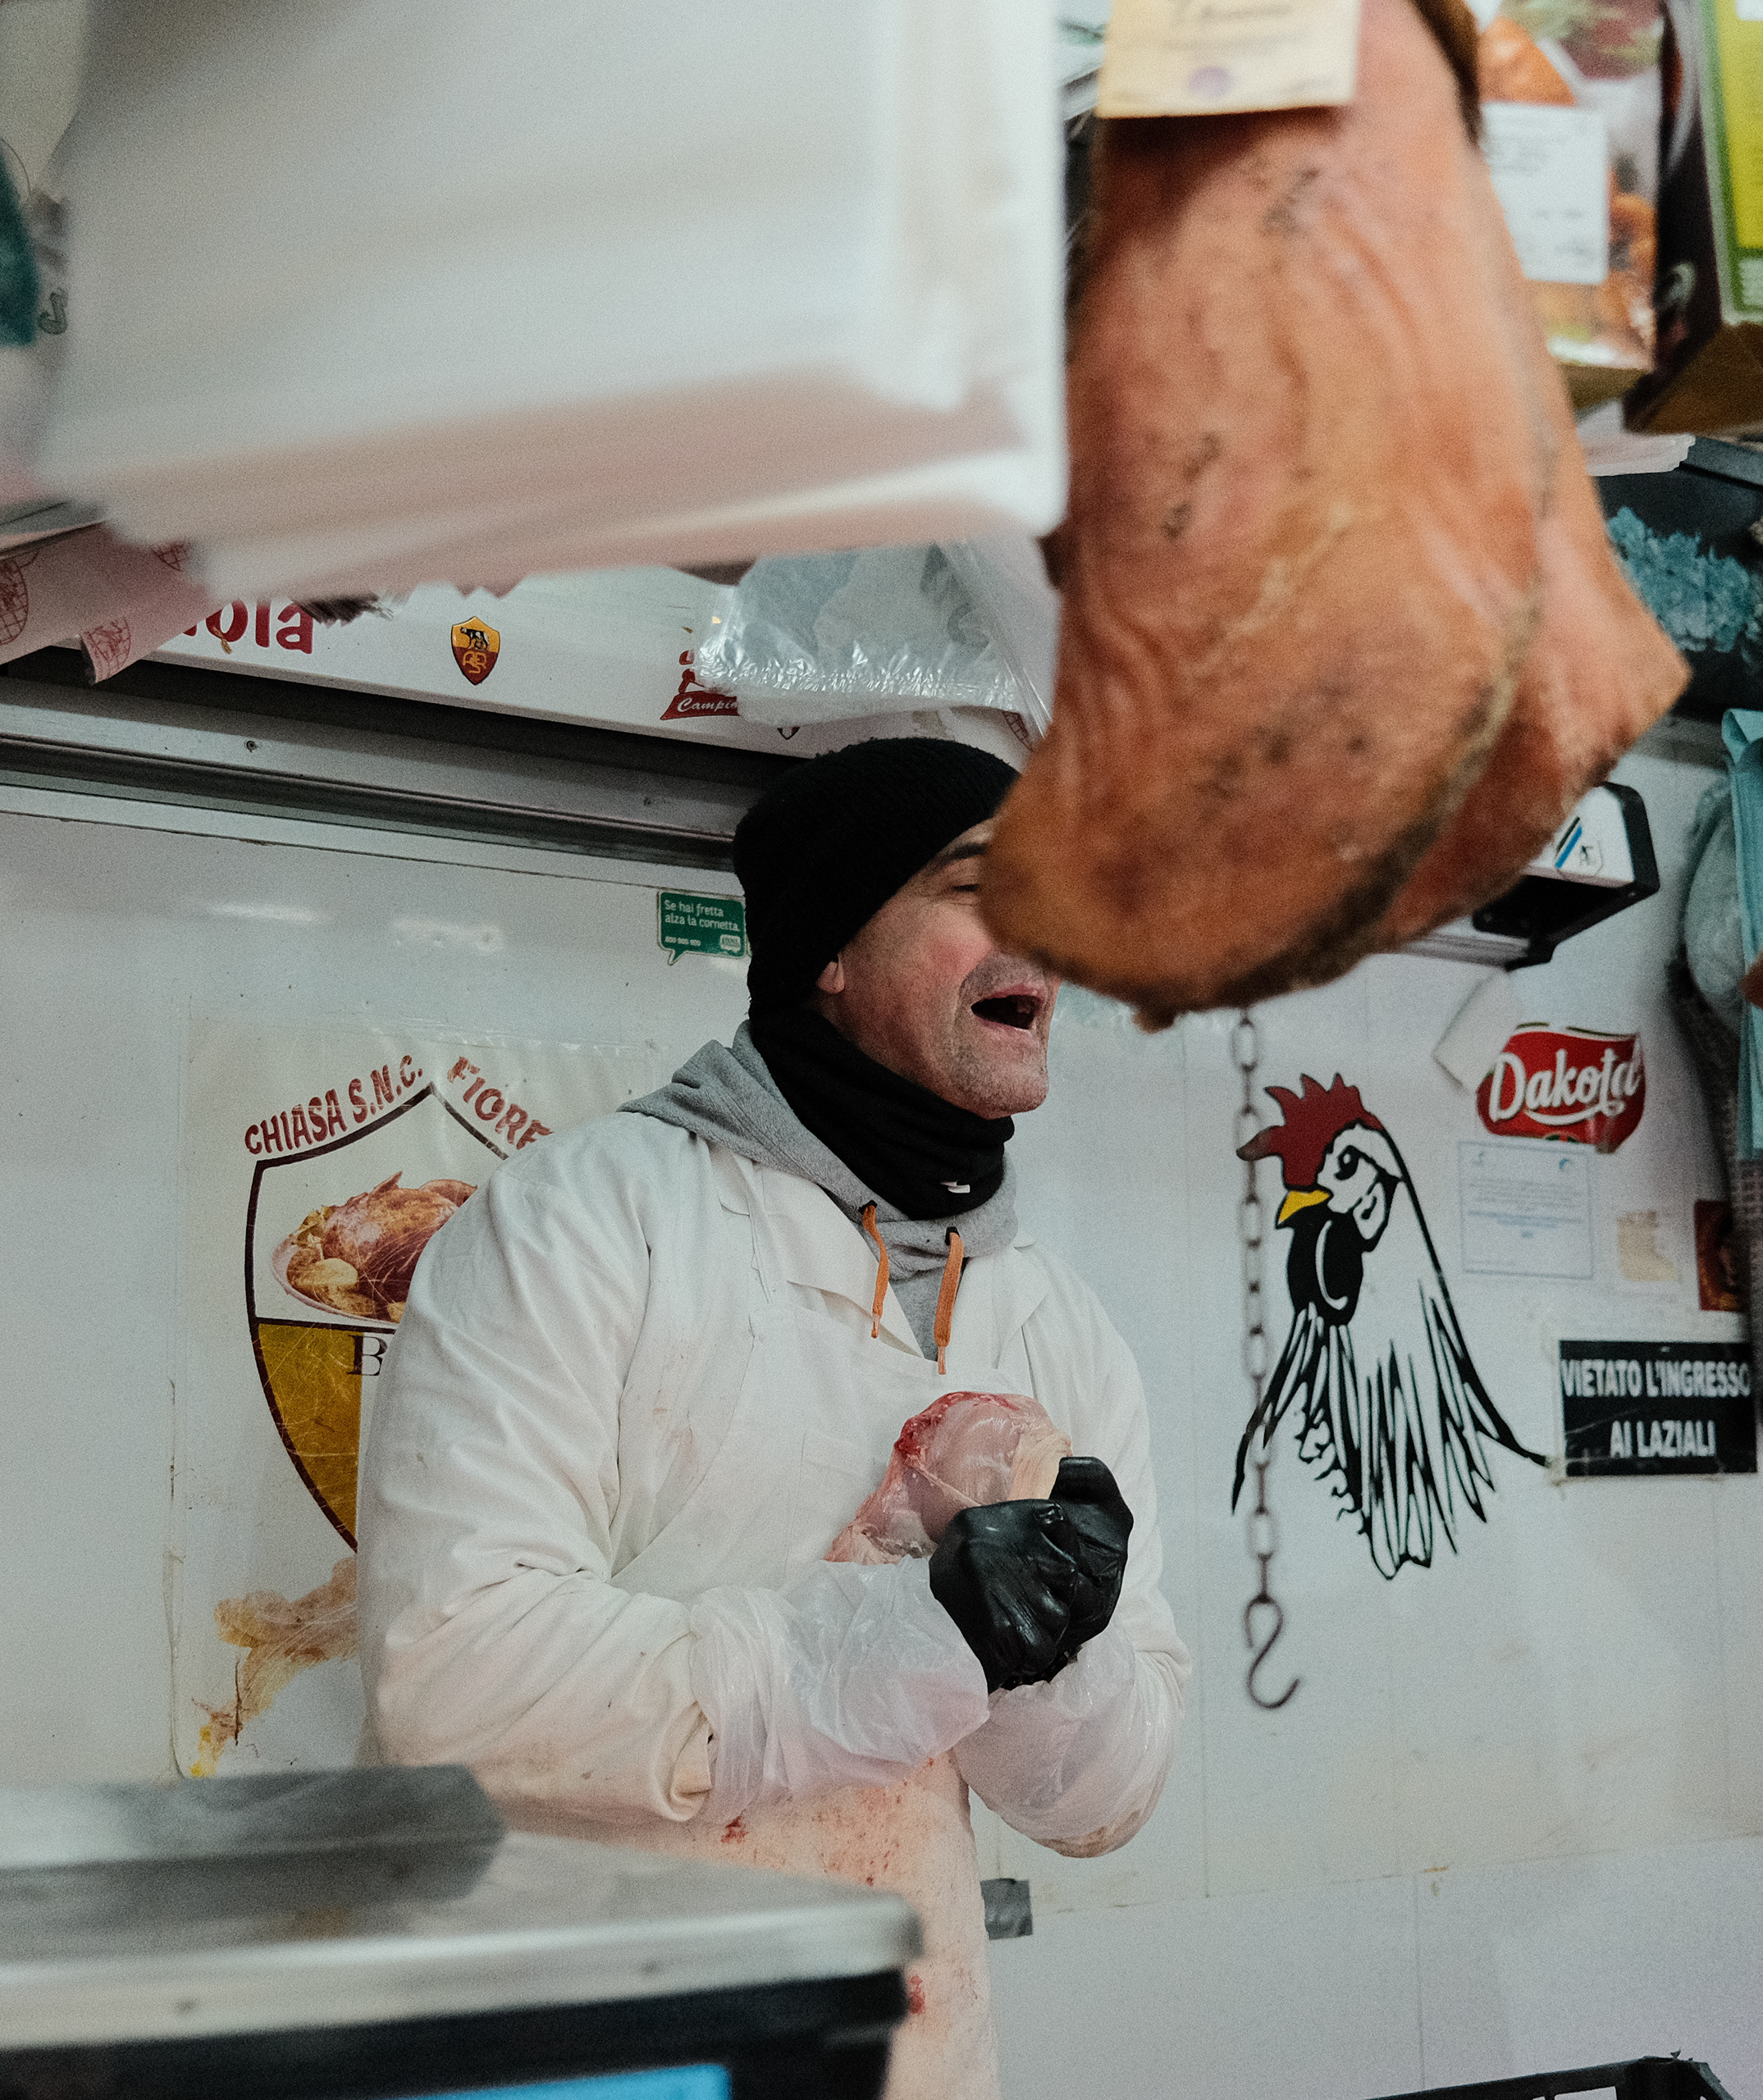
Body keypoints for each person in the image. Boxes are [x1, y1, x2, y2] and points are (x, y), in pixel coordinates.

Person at [359, 738, 1190, 2100]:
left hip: (908, 2054)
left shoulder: (1057, 1321)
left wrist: (1055, 1652)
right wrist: (918, 1636)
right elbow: (451, 1680)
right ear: (829, 952)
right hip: (591, 2056)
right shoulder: (581, 1223)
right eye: (976, 886)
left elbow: (1107, 1802)